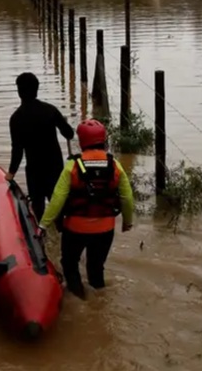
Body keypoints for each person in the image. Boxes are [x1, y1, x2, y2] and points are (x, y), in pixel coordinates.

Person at [38, 119, 134, 299]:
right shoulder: (115, 165)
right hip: (105, 229)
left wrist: (43, 225)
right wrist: (127, 222)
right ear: (103, 140)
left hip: (75, 229)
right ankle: (99, 299)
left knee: (70, 264)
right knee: (96, 267)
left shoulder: (72, 166)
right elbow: (127, 198)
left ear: (82, 142)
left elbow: (57, 199)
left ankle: (79, 298)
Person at [5, 72, 75, 221]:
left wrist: (11, 173)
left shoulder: (16, 118)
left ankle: (41, 239)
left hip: (35, 171)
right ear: (37, 89)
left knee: (38, 211)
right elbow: (69, 133)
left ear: (19, 92)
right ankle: (60, 234)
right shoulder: (50, 110)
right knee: (59, 209)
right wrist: (64, 125)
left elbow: (17, 151)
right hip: (55, 168)